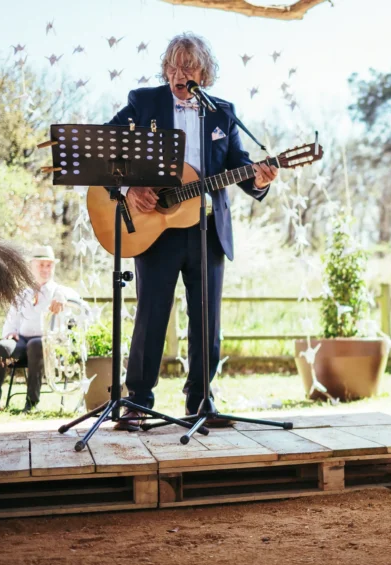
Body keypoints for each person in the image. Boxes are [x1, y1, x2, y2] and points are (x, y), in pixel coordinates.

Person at [108, 33, 278, 430]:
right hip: (156, 228)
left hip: (207, 228)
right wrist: (130, 189)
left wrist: (262, 177)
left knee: (207, 320)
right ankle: (137, 401)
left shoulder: (222, 113)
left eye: (187, 67)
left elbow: (240, 167)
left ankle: (200, 400)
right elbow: (105, 148)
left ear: (204, 72)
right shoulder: (144, 102)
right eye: (171, 65)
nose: (177, 74)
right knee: (151, 315)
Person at [0, 245, 80, 414]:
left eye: (49, 265)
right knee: (2, 346)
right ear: (31, 266)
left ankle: (31, 403)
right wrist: (10, 333)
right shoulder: (23, 293)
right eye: (41, 265)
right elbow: (11, 319)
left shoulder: (59, 291)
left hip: (46, 345)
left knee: (36, 343)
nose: (45, 269)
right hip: (21, 342)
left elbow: (78, 299)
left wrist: (63, 298)